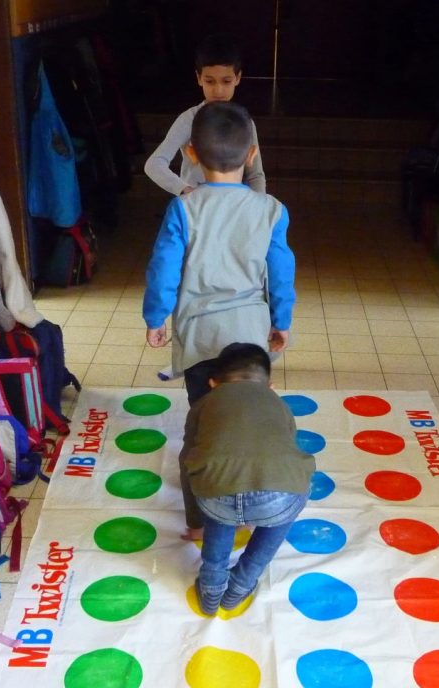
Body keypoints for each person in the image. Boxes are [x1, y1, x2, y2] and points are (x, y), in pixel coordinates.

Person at [142, 100, 297, 538]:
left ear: (191, 153)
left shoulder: (184, 208)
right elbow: (281, 271)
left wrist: (156, 317)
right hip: (251, 341)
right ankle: (248, 505)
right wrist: (281, 320)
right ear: (252, 154)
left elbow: (163, 268)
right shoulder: (271, 209)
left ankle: (199, 521)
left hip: (199, 340)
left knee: (203, 425)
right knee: (249, 420)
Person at [180, 343, 315, 616]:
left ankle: (211, 586)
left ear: (212, 383)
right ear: (270, 386)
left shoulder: (204, 403)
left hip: (220, 491)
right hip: (279, 496)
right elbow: (288, 446)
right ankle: (242, 583)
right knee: (294, 489)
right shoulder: (279, 404)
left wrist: (196, 523)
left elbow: (187, 462)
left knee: (220, 509)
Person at [143, 35, 266, 196]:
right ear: (199, 78)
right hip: (197, 208)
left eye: (226, 81)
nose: (218, 90)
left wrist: (258, 205)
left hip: (233, 206)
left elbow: (255, 175)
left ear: (238, 78)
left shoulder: (243, 121)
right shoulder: (189, 119)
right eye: (210, 81)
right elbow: (154, 164)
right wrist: (187, 191)